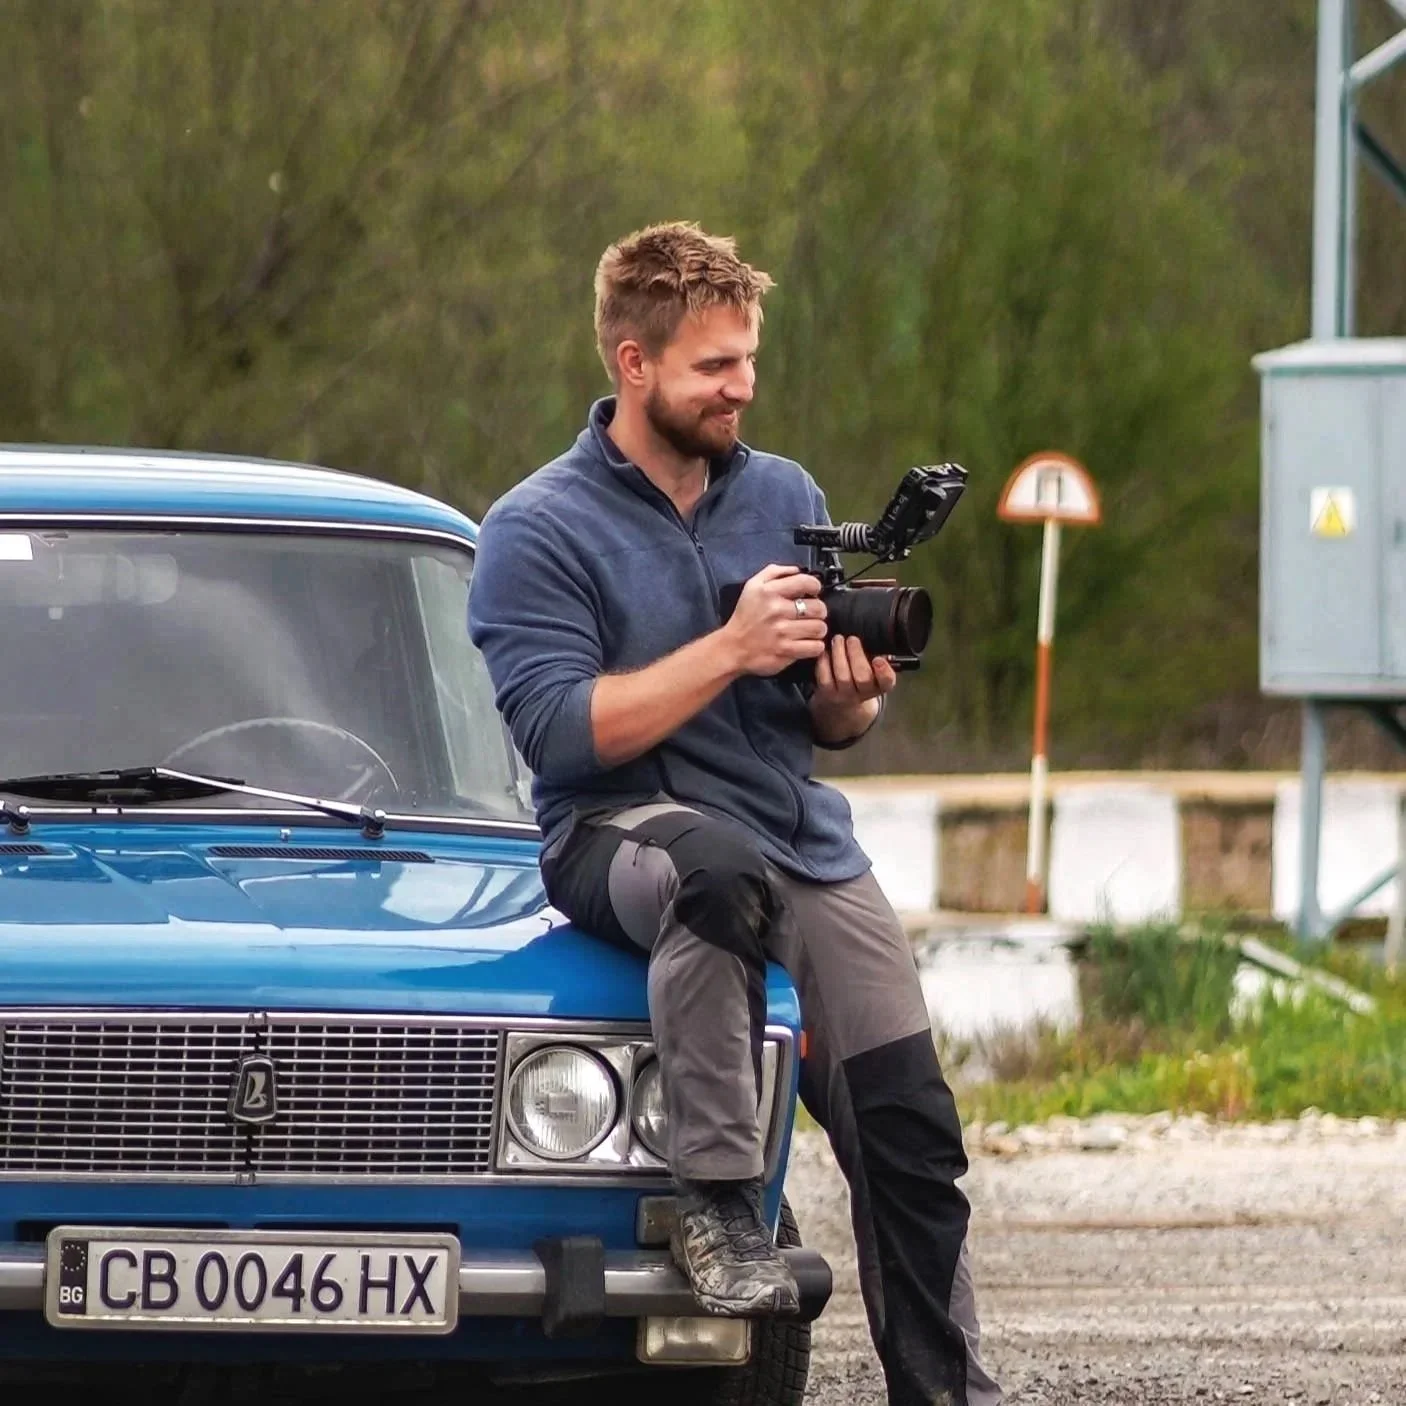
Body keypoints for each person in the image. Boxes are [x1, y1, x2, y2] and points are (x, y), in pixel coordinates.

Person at [468, 221, 1002, 1406]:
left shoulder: (784, 494)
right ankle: (714, 1203)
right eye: (713, 365)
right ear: (633, 362)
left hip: (794, 835)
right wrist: (727, 644)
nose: (741, 386)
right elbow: (558, 733)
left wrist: (845, 699)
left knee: (912, 1135)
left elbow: (818, 721)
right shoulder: (535, 527)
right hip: (620, 829)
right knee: (711, 868)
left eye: (749, 358)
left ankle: (948, 1394)